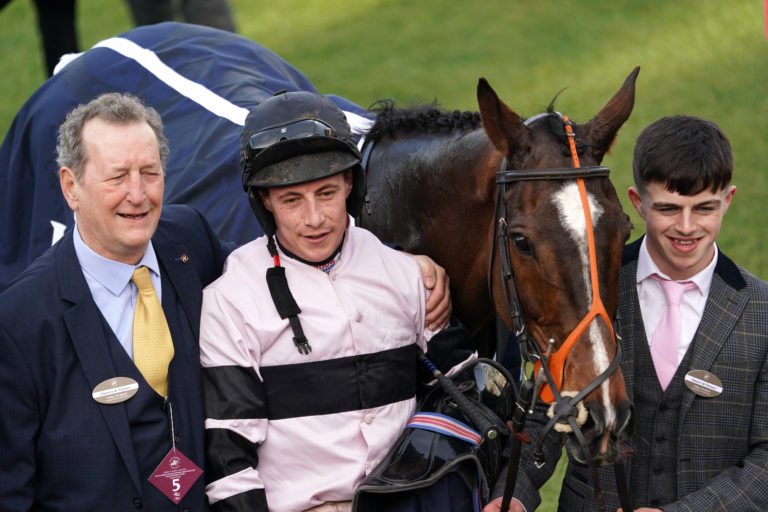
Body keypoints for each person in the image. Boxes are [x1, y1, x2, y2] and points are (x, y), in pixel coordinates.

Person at [0, 91, 452, 512]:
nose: (137, 195)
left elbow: (291, 256)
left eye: (150, 172)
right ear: (70, 186)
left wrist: (405, 265)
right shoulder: (20, 321)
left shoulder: (189, 240)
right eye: (117, 176)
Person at [199, 91, 479, 512]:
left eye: (326, 193)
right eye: (292, 199)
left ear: (351, 183)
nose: (314, 218)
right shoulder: (230, 302)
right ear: (264, 201)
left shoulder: (408, 275)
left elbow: (469, 393)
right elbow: (228, 466)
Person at [486, 114, 768, 511]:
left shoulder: (762, 311)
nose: (687, 227)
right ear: (637, 202)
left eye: (704, 208)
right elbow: (544, 413)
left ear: (728, 200)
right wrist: (516, 492)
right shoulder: (588, 288)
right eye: (668, 208)